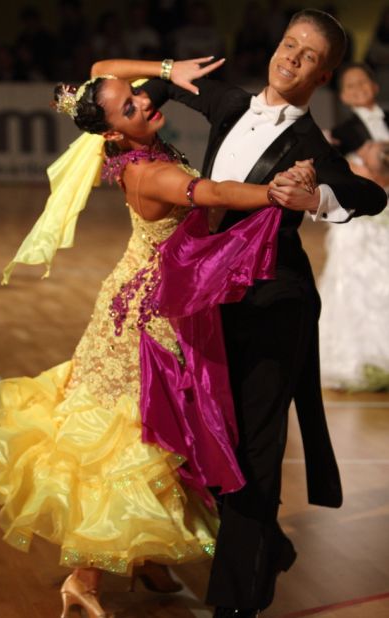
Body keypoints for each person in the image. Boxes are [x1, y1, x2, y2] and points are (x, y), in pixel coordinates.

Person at [0, 57, 315, 618]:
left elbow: (102, 68)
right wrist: (275, 194)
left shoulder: (127, 137)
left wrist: (166, 67)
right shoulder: (147, 173)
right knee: (132, 441)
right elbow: (214, 193)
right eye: (131, 105)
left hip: (151, 299)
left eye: (137, 94)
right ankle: (85, 576)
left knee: (162, 434)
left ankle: (141, 555)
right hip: (147, 316)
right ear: (115, 132)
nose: (144, 99)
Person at [107, 8, 388, 617]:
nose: (292, 58)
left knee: (255, 453)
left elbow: (369, 193)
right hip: (207, 298)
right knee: (208, 441)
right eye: (289, 44)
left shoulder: (311, 144)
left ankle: (237, 604)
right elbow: (147, 88)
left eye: (309, 56)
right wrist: (165, 74)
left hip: (273, 302)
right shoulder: (231, 102)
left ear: (322, 76)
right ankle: (269, 545)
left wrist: (316, 195)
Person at [319, 140, 389, 391]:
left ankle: (365, 361)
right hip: (362, 257)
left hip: (359, 258)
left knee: (358, 304)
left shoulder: (360, 179)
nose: (364, 144)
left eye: (368, 149)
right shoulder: (368, 179)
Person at [331, 62, 389, 155]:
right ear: (343, 96)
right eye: (350, 85)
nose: (358, 87)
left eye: (363, 81)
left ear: (375, 86)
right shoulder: (340, 133)